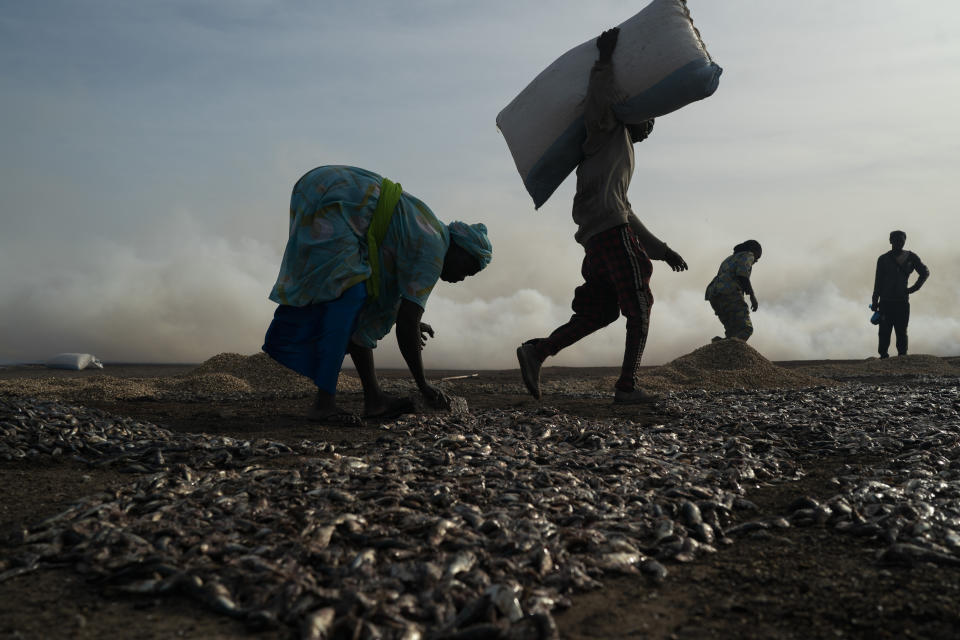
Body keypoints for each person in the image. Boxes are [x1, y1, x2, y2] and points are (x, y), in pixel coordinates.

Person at [516, 28, 688, 405]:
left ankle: (538, 351)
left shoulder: (620, 150)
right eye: (647, 119)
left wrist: (662, 249)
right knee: (639, 305)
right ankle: (626, 388)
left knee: (601, 310)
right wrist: (604, 62)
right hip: (609, 233)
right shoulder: (606, 130)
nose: (649, 126)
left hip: (599, 236)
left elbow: (624, 206)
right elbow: (598, 102)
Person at [263, 165, 492, 423]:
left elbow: (392, 305)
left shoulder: (430, 232)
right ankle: (324, 405)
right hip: (335, 194)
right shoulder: (434, 251)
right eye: (467, 270)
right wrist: (423, 385)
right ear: (460, 249)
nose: (461, 278)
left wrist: (408, 319)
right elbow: (406, 325)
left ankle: (374, 401)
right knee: (348, 298)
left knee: (358, 301)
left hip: (323, 186)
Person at [871, 230, 929, 358]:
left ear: (905, 241)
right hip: (886, 302)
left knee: (901, 332)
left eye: (901, 240)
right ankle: (883, 356)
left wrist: (914, 288)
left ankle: (902, 357)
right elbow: (878, 281)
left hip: (902, 302)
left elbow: (925, 272)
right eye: (896, 240)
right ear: (890, 241)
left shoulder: (911, 257)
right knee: (884, 332)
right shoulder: (883, 259)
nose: (899, 243)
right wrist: (875, 301)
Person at [705, 240, 762, 342]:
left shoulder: (729, 259)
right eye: (757, 257)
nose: (756, 260)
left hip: (714, 295)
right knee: (746, 329)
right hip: (729, 293)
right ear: (753, 251)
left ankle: (720, 349)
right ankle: (727, 352)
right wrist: (752, 296)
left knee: (733, 331)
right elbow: (742, 274)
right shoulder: (748, 255)